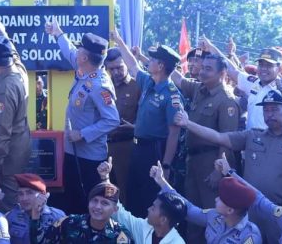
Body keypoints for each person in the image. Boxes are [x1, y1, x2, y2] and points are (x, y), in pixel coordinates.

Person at [174, 90, 282, 242]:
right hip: (251, 211)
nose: (269, 114)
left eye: (274, 109)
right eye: (266, 110)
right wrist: (188, 124)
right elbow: (219, 137)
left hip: (281, 213)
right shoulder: (252, 136)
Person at [44, 19, 119, 214]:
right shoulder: (84, 72)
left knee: (87, 206)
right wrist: (58, 34)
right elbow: (70, 52)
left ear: (84, 58)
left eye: (80, 51)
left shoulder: (99, 85)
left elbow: (112, 119)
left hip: (89, 159)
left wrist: (83, 133)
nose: (76, 53)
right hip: (72, 152)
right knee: (72, 202)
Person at [169, 54, 240, 243]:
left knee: (213, 215)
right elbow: (179, 79)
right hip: (193, 161)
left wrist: (219, 171)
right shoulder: (200, 89)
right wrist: (166, 59)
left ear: (222, 73)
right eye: (202, 67)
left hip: (211, 162)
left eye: (208, 69)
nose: (202, 71)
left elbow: (228, 139)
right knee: (193, 215)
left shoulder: (226, 100)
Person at [112, 31, 182, 218]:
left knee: (150, 200)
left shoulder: (171, 95)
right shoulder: (149, 83)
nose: (148, 61)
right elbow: (133, 66)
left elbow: (174, 133)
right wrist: (119, 40)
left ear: (160, 66)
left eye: (152, 60)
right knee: (134, 196)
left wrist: (166, 166)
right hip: (138, 148)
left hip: (155, 152)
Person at [0, 20, 31, 212]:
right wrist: (4, 34)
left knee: (9, 208)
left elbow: (1, 132)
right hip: (15, 157)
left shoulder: (4, 90)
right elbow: (16, 58)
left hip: (6, 166)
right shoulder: (19, 74)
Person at [150, 159, 261, 243]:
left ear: (230, 210)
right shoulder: (214, 216)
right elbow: (189, 209)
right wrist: (162, 182)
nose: (216, 199)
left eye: (221, 199)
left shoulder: (250, 235)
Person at [199, 36, 282, 130]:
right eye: (261, 64)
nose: (263, 69)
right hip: (250, 141)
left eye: (269, 66)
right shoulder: (253, 83)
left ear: (279, 69)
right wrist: (210, 47)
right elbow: (231, 69)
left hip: (272, 142)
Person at [97, 158, 186, 243]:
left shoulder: (177, 242)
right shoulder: (145, 227)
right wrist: (105, 178)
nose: (148, 209)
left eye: (153, 208)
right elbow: (119, 212)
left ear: (163, 219)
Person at [30, 181, 134, 244]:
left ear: (115, 209)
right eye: (94, 201)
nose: (97, 206)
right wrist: (35, 214)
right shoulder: (68, 223)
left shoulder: (121, 236)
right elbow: (40, 242)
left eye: (104, 203)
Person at [103, 47, 140, 205]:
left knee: (125, 194)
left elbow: (145, 120)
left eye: (120, 67)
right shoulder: (104, 86)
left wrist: (134, 127)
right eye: (112, 69)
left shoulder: (137, 86)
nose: (116, 72)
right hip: (103, 147)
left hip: (126, 147)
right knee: (105, 191)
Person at [5, 173, 65, 244]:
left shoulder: (57, 216)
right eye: (21, 194)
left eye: (29, 193)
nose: (24, 198)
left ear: (43, 195)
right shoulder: (11, 216)